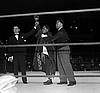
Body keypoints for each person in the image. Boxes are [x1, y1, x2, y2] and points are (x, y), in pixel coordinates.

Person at [50, 18, 76, 86]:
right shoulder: (59, 31)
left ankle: (72, 80)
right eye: (56, 23)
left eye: (57, 23)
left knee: (66, 64)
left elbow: (54, 38)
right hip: (59, 48)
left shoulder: (62, 31)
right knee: (60, 65)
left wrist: (47, 37)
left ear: (61, 24)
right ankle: (63, 80)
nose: (56, 24)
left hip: (64, 48)